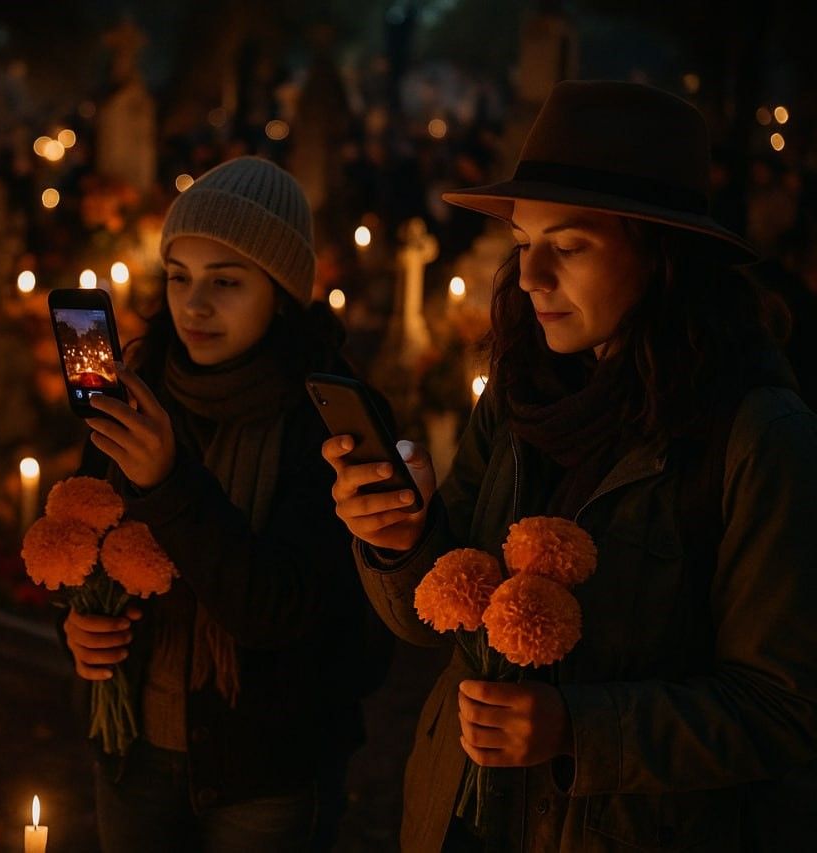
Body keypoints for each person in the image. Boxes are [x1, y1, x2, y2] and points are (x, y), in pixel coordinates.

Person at [323, 80, 817, 852]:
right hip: (459, 820)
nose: (530, 276)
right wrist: (401, 537)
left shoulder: (755, 435)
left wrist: (578, 730)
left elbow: (785, 710)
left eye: (571, 244)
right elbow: (435, 620)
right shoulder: (523, 388)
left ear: (662, 254)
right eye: (524, 243)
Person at [63, 156, 389, 851]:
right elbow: (86, 536)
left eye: (227, 282)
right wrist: (83, 625)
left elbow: (279, 609)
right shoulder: (141, 386)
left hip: (266, 771)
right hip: (134, 750)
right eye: (179, 277)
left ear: (281, 292)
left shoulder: (327, 419)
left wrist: (169, 480)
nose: (195, 305)